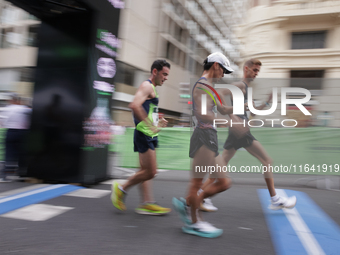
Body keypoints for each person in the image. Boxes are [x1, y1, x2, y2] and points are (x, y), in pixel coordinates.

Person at [204, 58, 297, 211]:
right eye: (254, 70)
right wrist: (232, 117)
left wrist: (267, 102)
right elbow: (218, 93)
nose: (256, 74)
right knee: (267, 160)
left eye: (258, 71)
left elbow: (254, 111)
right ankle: (275, 199)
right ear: (246, 69)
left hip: (238, 132)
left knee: (220, 168)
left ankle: (201, 196)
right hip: (241, 131)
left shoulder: (247, 89)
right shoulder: (240, 85)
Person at [172, 52, 234, 238]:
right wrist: (227, 122)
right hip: (204, 137)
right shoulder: (202, 85)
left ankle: (189, 203)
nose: (223, 74)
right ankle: (194, 222)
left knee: (224, 182)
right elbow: (203, 114)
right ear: (216, 65)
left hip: (211, 136)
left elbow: (221, 109)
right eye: (223, 70)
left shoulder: (210, 88)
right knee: (197, 183)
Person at [111, 60, 171, 215]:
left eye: (167, 75)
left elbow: (147, 108)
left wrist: (158, 122)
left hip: (149, 133)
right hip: (144, 134)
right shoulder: (147, 86)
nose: (166, 78)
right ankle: (122, 188)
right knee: (151, 172)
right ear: (155, 72)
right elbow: (134, 105)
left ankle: (146, 203)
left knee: (145, 170)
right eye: (164, 74)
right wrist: (149, 124)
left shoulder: (153, 89)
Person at [0, 93, 31, 182]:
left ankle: (4, 175)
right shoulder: (24, 109)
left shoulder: (6, 109)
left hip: (10, 132)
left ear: (11, 100)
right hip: (22, 132)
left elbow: (1, 123)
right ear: (18, 100)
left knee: (9, 154)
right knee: (22, 153)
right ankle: (21, 174)